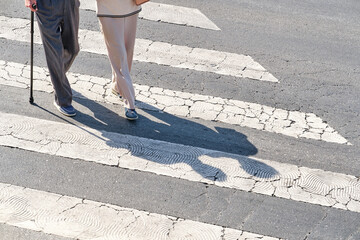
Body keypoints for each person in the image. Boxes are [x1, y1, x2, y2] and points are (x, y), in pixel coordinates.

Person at [25, 0, 80, 117]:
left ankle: (57, 75)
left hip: (70, 3)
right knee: (55, 53)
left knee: (73, 49)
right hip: (46, 5)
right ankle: (62, 100)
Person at [96, 0, 141, 120]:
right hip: (108, 9)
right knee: (119, 55)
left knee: (128, 52)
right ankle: (129, 102)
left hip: (131, 7)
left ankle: (117, 87)